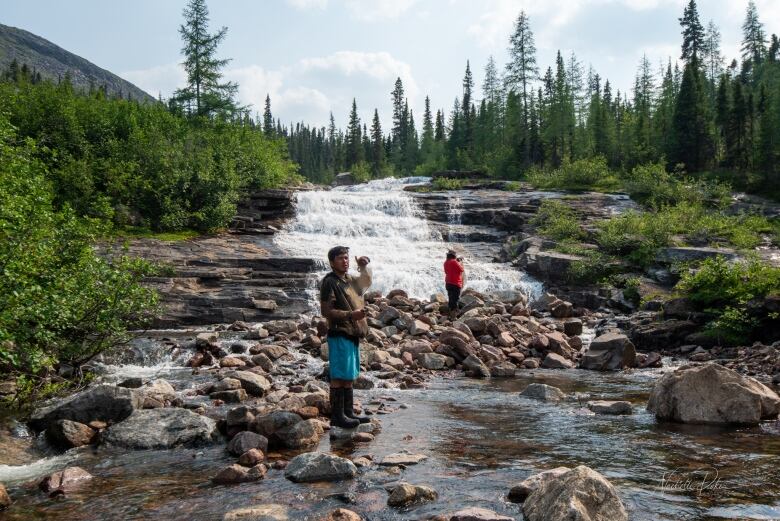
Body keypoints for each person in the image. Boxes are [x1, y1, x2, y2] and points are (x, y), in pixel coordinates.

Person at [319, 246, 373, 429]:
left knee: (349, 374)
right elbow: (326, 311)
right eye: (341, 258)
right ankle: (337, 417)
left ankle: (347, 412)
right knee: (339, 375)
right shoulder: (329, 282)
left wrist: (363, 267)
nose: (345, 261)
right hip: (339, 331)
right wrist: (351, 315)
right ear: (332, 262)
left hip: (352, 331)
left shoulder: (348, 279)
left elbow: (365, 283)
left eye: (347, 258)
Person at [443, 249, 465, 319]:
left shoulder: (445, 262)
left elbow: (446, 272)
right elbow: (461, 269)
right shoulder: (454, 262)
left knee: (451, 297)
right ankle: (454, 315)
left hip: (448, 283)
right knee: (456, 299)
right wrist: (460, 262)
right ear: (454, 256)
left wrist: (457, 262)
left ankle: (450, 312)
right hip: (455, 283)